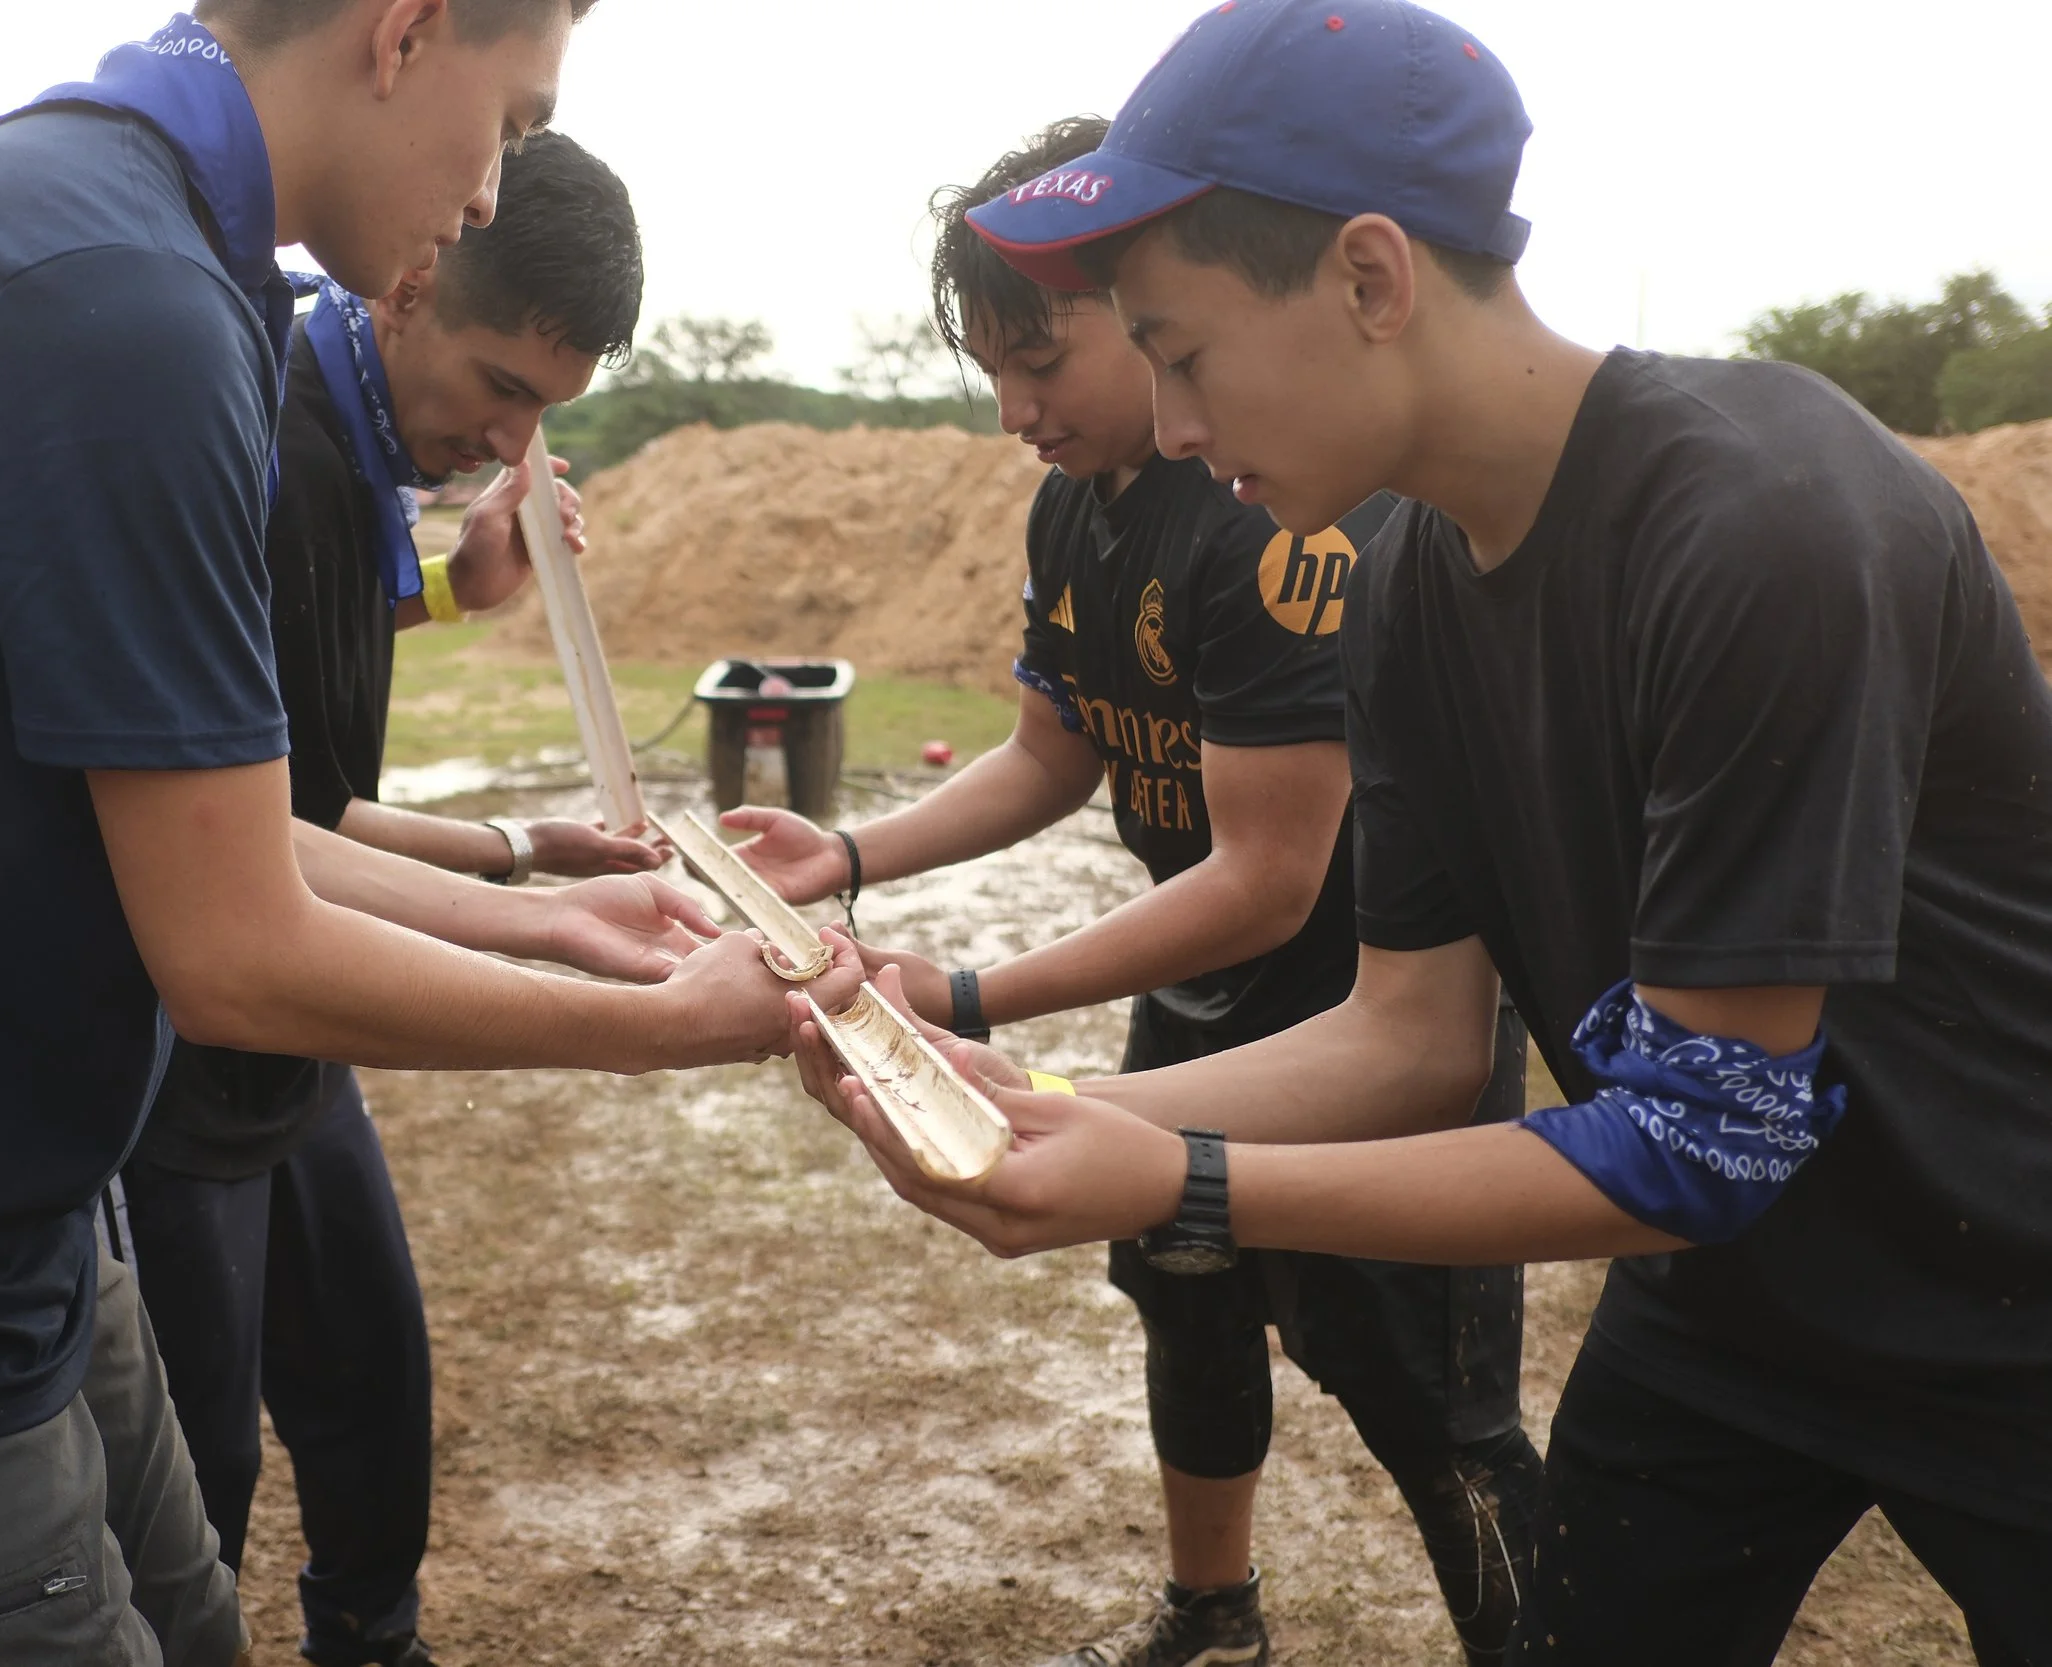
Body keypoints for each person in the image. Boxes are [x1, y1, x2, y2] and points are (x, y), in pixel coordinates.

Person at [0, 2, 854, 1664]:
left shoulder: (113, 230)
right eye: (515, 121)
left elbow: (204, 820)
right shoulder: (123, 303)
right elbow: (234, 955)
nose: (488, 190)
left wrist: (544, 914)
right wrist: (656, 1026)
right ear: (405, 31)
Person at [792, 1, 2052, 1660]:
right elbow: (1410, 1038)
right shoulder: (1398, 583)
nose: (1175, 427)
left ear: (1371, 279)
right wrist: (1044, 1111)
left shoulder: (1766, 525)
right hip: (1725, 1316)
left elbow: (1706, 1132)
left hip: (2012, 1298)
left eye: (1182, 354)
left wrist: (1182, 1176)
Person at [728, 114, 1533, 1667]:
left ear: (1151, 308)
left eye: (1044, 361)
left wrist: (969, 995)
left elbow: (1268, 881)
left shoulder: (1266, 510)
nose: (1018, 411)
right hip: (1195, 998)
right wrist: (847, 854)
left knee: (1431, 1409)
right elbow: (1053, 750)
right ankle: (1214, 1615)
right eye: (993, 373)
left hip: (1364, 1015)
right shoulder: (1070, 507)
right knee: (1189, 1301)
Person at [121, 127, 650, 1667]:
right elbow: (284, 821)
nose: (511, 437)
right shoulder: (275, 437)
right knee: (197, 1461)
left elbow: (303, 683)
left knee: (368, 1378)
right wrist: (529, 868)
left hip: (295, 1039)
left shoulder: (355, 436)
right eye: (501, 385)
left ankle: (371, 1634)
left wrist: (458, 588)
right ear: (410, 288)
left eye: (545, 409)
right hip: (179, 1054)